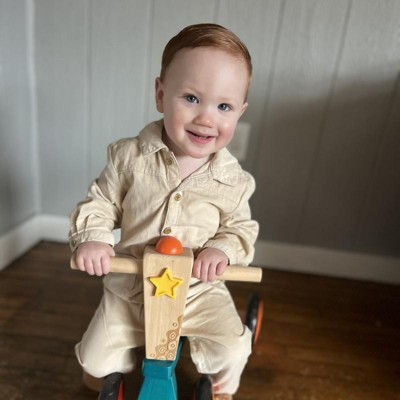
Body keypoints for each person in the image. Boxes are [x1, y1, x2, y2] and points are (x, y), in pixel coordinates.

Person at [69, 23, 259, 400]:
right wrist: (93, 238)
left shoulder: (234, 180)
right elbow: (101, 203)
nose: (207, 118)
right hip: (131, 288)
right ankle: (103, 377)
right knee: (93, 358)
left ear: (240, 112)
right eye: (191, 98)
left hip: (197, 290)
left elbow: (240, 228)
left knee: (235, 348)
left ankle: (222, 388)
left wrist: (222, 250)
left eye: (223, 106)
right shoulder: (129, 158)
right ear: (160, 94)